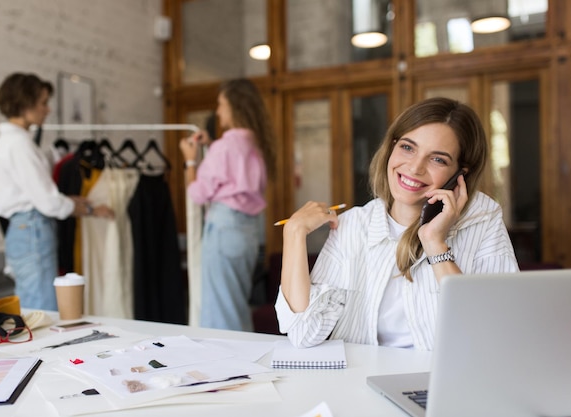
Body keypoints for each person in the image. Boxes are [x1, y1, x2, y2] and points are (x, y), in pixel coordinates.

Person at [275, 97, 519, 350]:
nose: (414, 167)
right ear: (391, 147)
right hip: (363, 379)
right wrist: (294, 233)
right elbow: (304, 334)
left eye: (438, 159)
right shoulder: (354, 226)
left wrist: (435, 244)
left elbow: (493, 334)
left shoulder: (482, 218)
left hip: (445, 382)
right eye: (408, 147)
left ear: (460, 175)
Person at [0, 73, 114, 311]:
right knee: (42, 310)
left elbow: (32, 195)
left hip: (22, 230)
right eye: (43, 102)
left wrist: (70, 200)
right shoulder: (19, 146)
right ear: (25, 104)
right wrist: (90, 208)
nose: (48, 109)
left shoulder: (8, 145)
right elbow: (47, 202)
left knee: (34, 306)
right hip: (33, 230)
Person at [179, 78, 275, 331]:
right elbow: (235, 172)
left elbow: (197, 194)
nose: (218, 111)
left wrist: (190, 162)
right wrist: (211, 146)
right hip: (248, 234)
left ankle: (227, 367)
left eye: (221, 104)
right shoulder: (256, 144)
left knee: (220, 313)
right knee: (235, 306)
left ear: (235, 106)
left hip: (223, 231)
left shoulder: (225, 148)